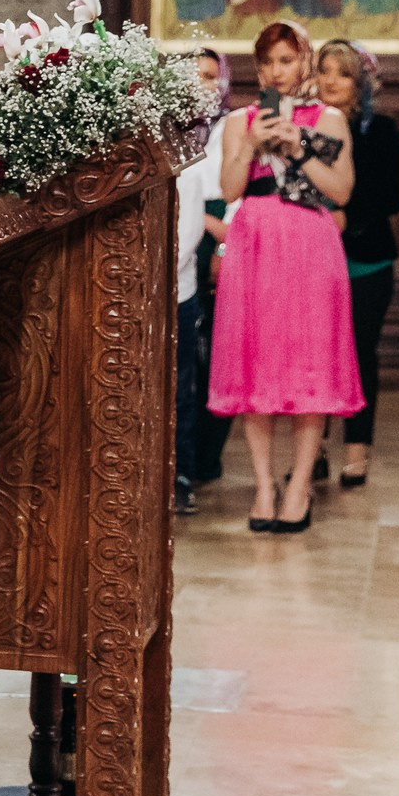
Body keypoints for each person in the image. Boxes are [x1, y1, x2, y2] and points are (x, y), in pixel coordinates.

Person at [207, 21, 360, 533]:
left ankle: (298, 487)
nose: (278, 70)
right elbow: (229, 190)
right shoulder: (238, 120)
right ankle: (264, 485)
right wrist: (251, 144)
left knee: (307, 361)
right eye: (269, 61)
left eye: (288, 60)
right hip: (254, 240)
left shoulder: (330, 119)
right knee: (257, 360)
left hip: (310, 243)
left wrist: (298, 149)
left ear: (305, 64)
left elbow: (340, 193)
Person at [315, 41, 399, 488]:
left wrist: (349, 217)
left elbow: (395, 196)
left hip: (365, 260)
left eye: (343, 73)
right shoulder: (306, 126)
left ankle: (356, 451)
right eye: (324, 70)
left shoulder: (381, 130)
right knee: (315, 355)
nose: (331, 81)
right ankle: (312, 450)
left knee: (357, 355)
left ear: (360, 83)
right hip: (312, 259)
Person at [172, 48, 232, 514]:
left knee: (195, 373)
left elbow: (226, 196)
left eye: (210, 76)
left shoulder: (231, 128)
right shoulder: (167, 136)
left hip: (200, 259)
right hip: (176, 259)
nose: (201, 85)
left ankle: (189, 468)